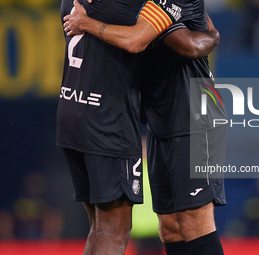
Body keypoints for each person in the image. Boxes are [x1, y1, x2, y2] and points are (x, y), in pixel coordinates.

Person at [64, 1, 227, 254]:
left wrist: (87, 23)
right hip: (158, 118)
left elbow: (180, 43)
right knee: (170, 226)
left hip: (195, 114)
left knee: (195, 220)